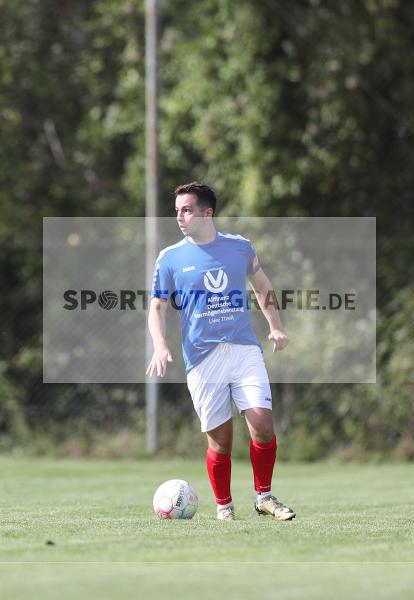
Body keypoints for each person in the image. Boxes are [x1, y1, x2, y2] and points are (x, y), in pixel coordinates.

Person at [146, 182, 295, 521]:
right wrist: (160, 344)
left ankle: (264, 497)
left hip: (244, 349)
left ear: (207, 213)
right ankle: (224, 508)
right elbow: (157, 307)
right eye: (177, 211)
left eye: (187, 210)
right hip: (202, 359)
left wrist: (275, 325)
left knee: (263, 425)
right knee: (221, 442)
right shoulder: (169, 258)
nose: (180, 217)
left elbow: (262, 286)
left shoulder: (240, 247)